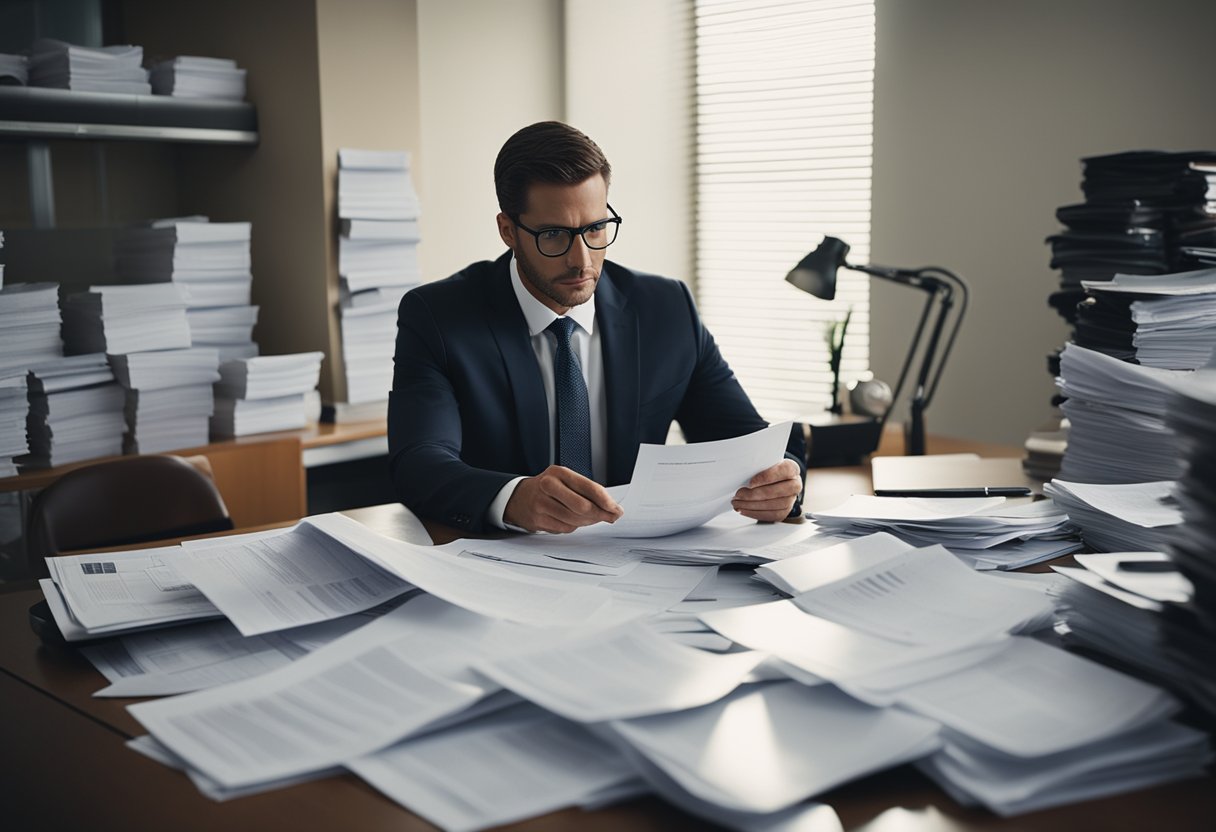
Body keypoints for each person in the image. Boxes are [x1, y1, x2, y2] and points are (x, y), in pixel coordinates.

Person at [389, 121, 805, 534]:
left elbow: (749, 441)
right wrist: (513, 498)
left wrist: (783, 483)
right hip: (504, 566)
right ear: (508, 231)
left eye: (595, 228)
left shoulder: (665, 308)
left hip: (642, 569)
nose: (582, 260)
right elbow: (419, 463)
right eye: (554, 234)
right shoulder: (439, 316)